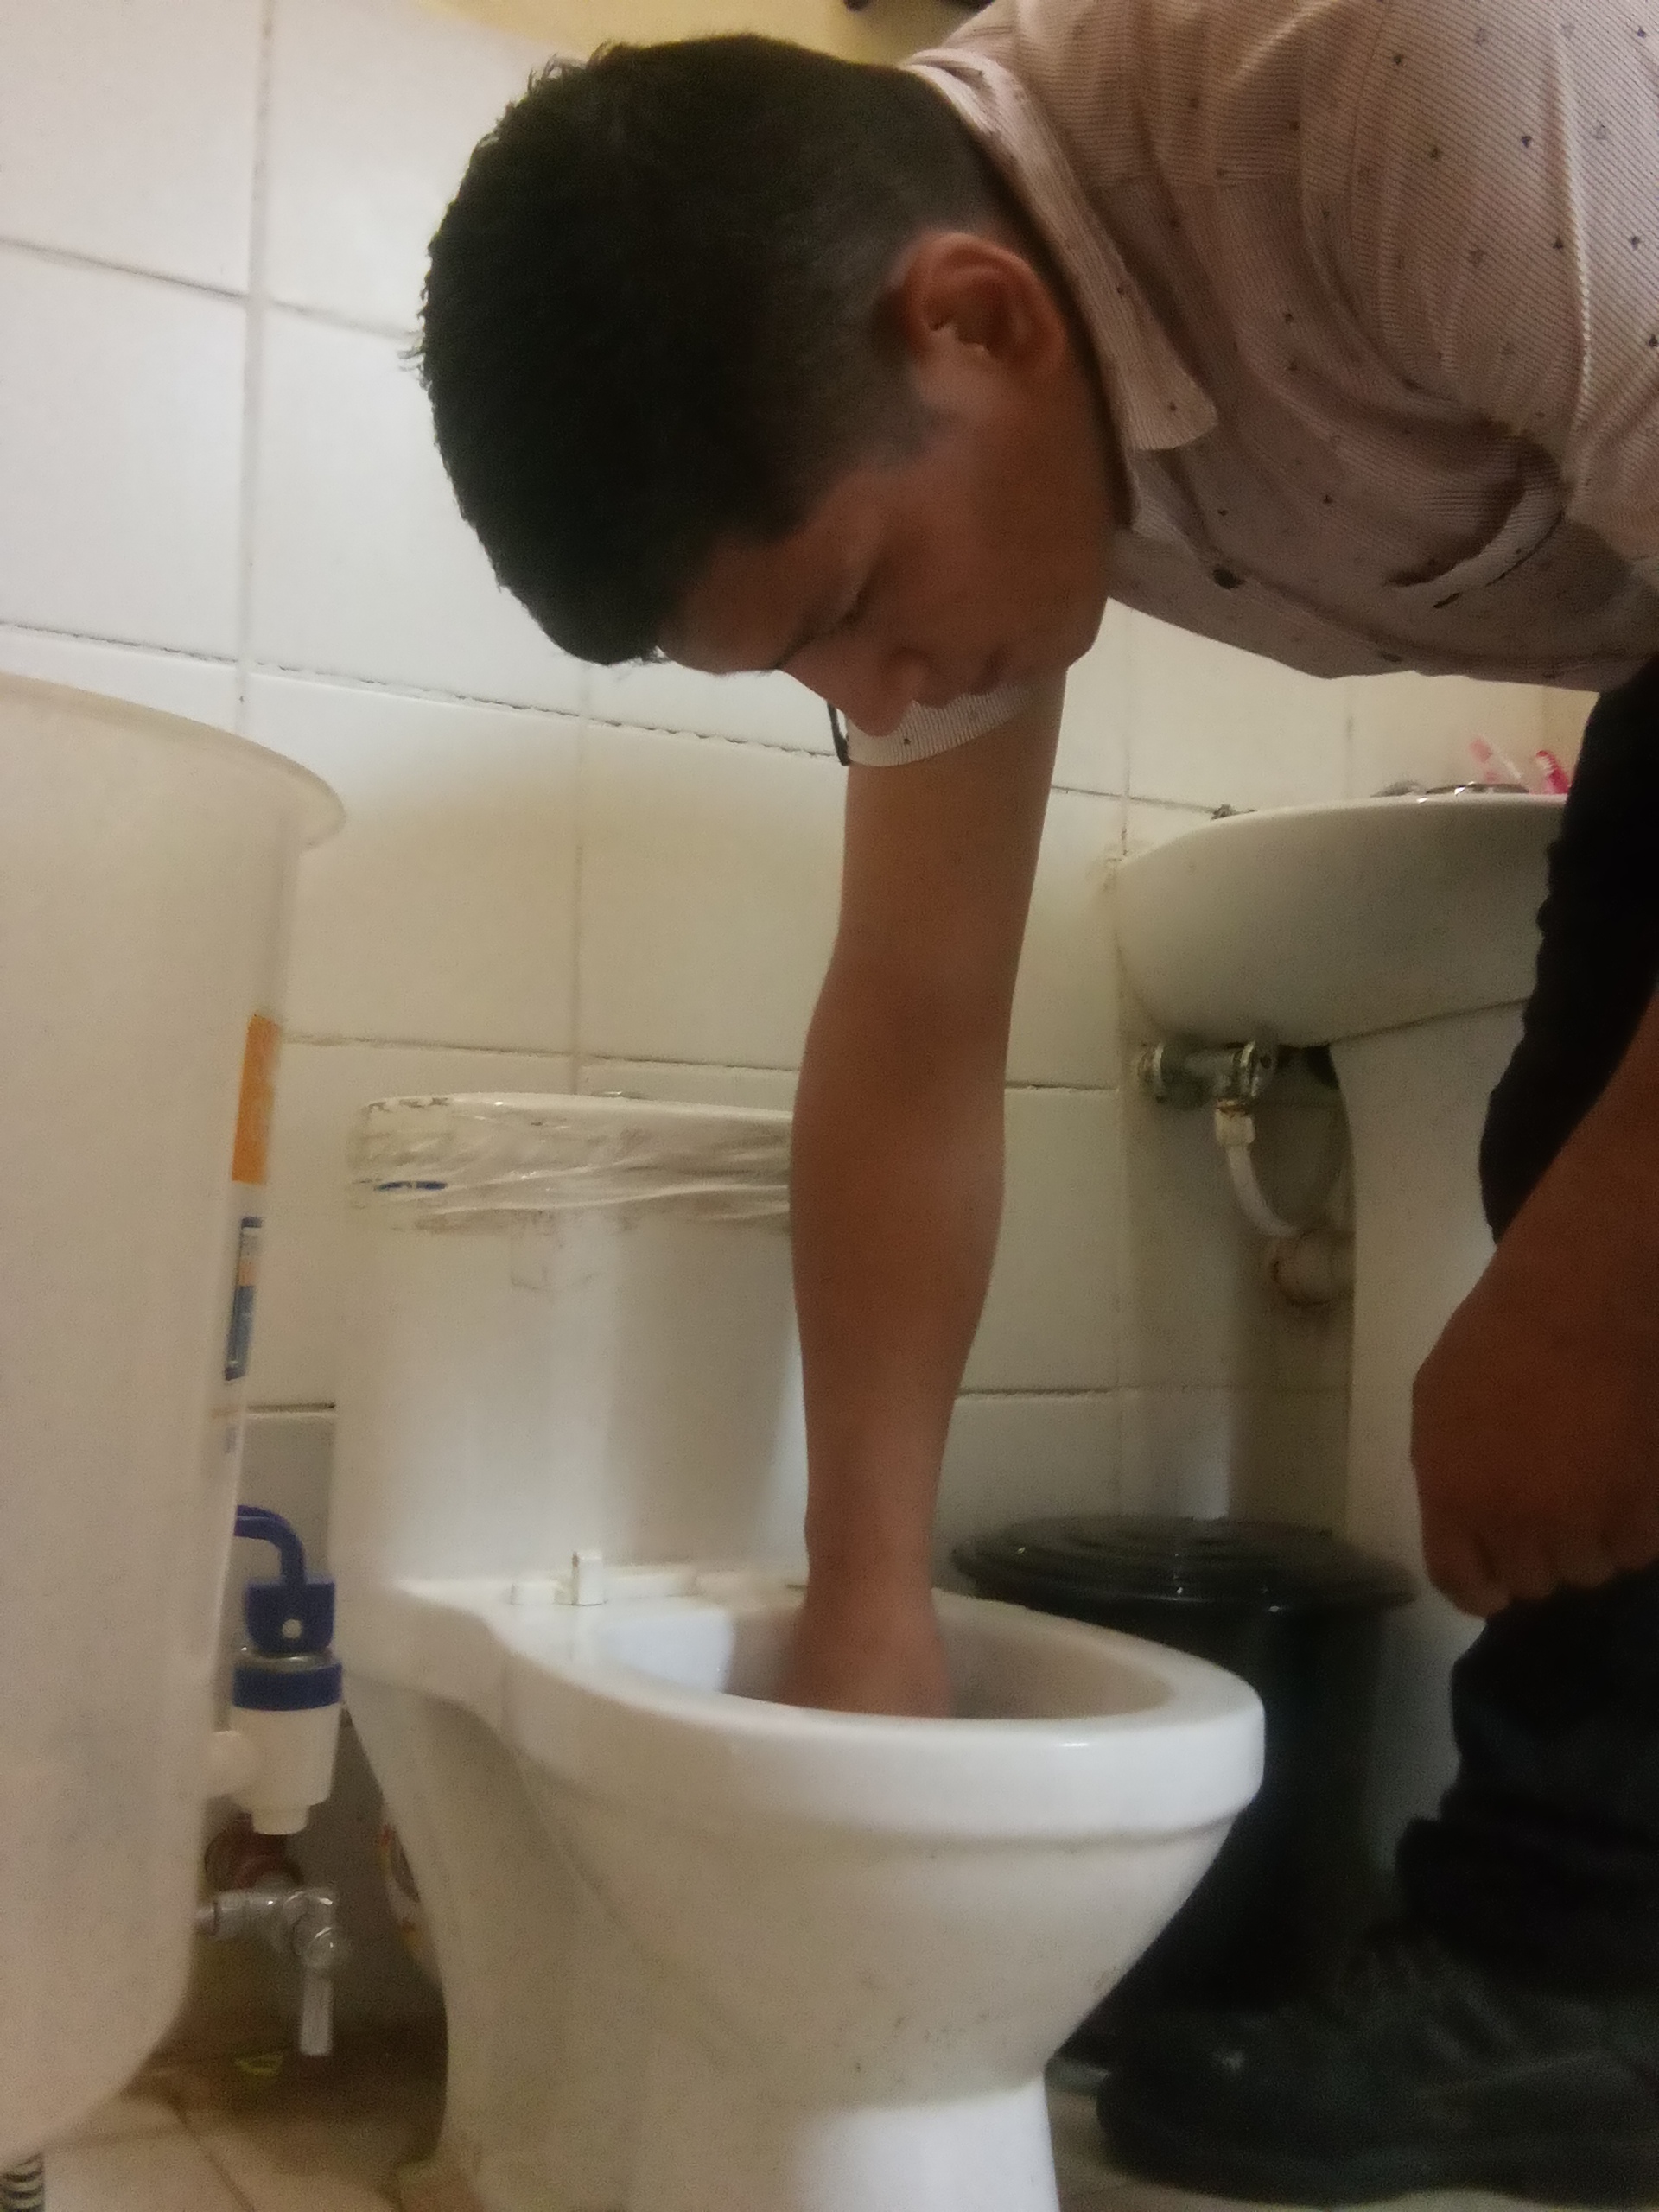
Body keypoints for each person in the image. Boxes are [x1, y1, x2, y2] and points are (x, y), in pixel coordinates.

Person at [414, 3, 1659, 2198]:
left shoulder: (1405, 82)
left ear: (979, 318)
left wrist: (1586, 1291)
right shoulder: (928, 403)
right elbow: (914, 1010)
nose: (880, 696)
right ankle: (1585, 1978)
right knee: (1571, 1142)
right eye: (807, 667)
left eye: (857, 606)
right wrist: (865, 1589)